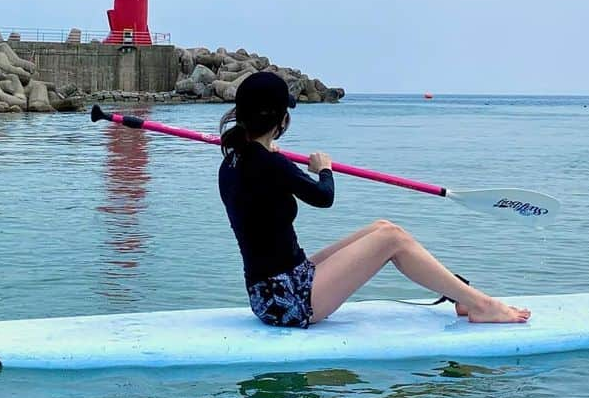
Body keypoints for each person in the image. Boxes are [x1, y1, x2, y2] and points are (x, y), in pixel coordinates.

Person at [218, 72, 530, 330]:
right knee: (392, 239)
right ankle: (481, 305)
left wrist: (274, 158)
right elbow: (323, 198)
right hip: (289, 302)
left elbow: (259, 193)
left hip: (269, 291)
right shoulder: (271, 165)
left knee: (382, 227)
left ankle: (461, 294)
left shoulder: (233, 163)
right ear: (280, 118)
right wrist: (324, 169)